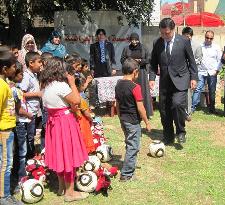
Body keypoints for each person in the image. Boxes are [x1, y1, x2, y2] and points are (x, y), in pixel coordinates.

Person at [40, 57, 89, 202]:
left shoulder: (46, 86)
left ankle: (62, 187)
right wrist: (72, 83)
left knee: (60, 154)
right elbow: (76, 100)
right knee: (68, 155)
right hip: (64, 122)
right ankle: (70, 192)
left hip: (53, 122)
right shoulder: (61, 86)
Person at [150, 18, 198, 145]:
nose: (165, 36)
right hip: (165, 82)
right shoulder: (157, 42)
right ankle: (168, 135)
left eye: (167, 33)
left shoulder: (184, 41)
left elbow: (191, 61)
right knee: (164, 110)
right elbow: (153, 63)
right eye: (162, 33)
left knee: (177, 104)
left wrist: (194, 77)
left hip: (181, 79)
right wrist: (151, 78)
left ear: (173, 30)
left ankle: (181, 132)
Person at [115, 58, 151, 182]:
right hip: (133, 121)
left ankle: (128, 167)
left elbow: (117, 103)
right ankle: (126, 174)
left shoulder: (118, 84)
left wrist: (119, 116)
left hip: (123, 119)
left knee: (129, 143)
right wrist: (146, 122)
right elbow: (141, 108)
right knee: (133, 146)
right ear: (135, 71)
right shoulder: (135, 87)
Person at [0, 46, 23, 205]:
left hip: (8, 130)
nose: (15, 69)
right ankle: (4, 196)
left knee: (7, 163)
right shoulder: (1, 86)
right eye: (14, 66)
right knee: (5, 165)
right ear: (4, 68)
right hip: (4, 132)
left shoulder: (5, 84)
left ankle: (6, 191)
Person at [121, 32, 153, 118]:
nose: (134, 42)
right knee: (132, 91)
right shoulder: (126, 48)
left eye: (136, 40)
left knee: (143, 92)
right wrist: (130, 61)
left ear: (138, 40)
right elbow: (122, 60)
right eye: (132, 40)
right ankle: (133, 111)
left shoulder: (144, 48)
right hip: (130, 73)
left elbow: (149, 59)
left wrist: (140, 61)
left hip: (141, 72)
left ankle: (146, 112)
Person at [191, 30, 222, 114]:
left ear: (213, 38)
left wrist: (217, 70)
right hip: (201, 71)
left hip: (212, 72)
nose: (208, 39)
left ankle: (212, 109)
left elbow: (220, 60)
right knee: (197, 89)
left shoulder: (216, 47)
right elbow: (195, 58)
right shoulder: (200, 46)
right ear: (205, 37)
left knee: (212, 91)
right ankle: (192, 108)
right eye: (207, 37)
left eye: (210, 38)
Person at [19, 52, 42, 159]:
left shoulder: (34, 75)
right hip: (28, 113)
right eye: (39, 62)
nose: (41, 64)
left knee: (32, 135)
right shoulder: (26, 76)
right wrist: (36, 94)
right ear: (31, 63)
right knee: (29, 136)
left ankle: (31, 155)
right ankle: (29, 158)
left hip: (33, 111)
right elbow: (21, 93)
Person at [182, 27, 203, 120]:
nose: (187, 38)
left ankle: (188, 112)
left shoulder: (197, 46)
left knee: (188, 93)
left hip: (190, 73)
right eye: (185, 36)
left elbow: (199, 59)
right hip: (179, 71)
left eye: (189, 36)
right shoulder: (178, 44)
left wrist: (192, 62)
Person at [75, 77, 95, 154]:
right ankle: (86, 151)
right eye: (83, 85)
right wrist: (91, 119)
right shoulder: (80, 98)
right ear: (78, 86)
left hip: (76, 119)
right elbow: (86, 113)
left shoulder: (73, 96)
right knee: (85, 136)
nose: (84, 87)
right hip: (82, 120)